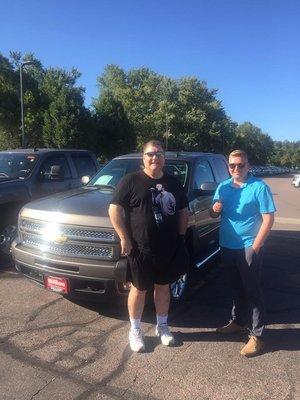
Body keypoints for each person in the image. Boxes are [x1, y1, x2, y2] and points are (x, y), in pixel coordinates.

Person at [109, 140, 189, 352]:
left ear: (165, 158)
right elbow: (114, 209)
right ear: (143, 157)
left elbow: (183, 211)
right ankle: (135, 330)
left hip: (168, 247)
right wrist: (124, 237)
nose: (155, 157)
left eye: (159, 154)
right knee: (139, 288)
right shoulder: (130, 181)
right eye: (150, 154)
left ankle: (162, 326)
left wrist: (181, 238)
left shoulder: (174, 183)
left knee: (163, 287)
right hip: (140, 249)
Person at [210, 149, 276, 357]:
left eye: (241, 165)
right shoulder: (223, 186)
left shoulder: (259, 187)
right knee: (235, 286)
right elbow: (213, 213)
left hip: (248, 246)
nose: (236, 169)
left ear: (248, 166)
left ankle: (258, 336)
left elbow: (268, 219)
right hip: (227, 245)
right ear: (228, 167)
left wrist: (256, 247)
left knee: (252, 290)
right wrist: (215, 209)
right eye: (232, 165)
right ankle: (238, 322)